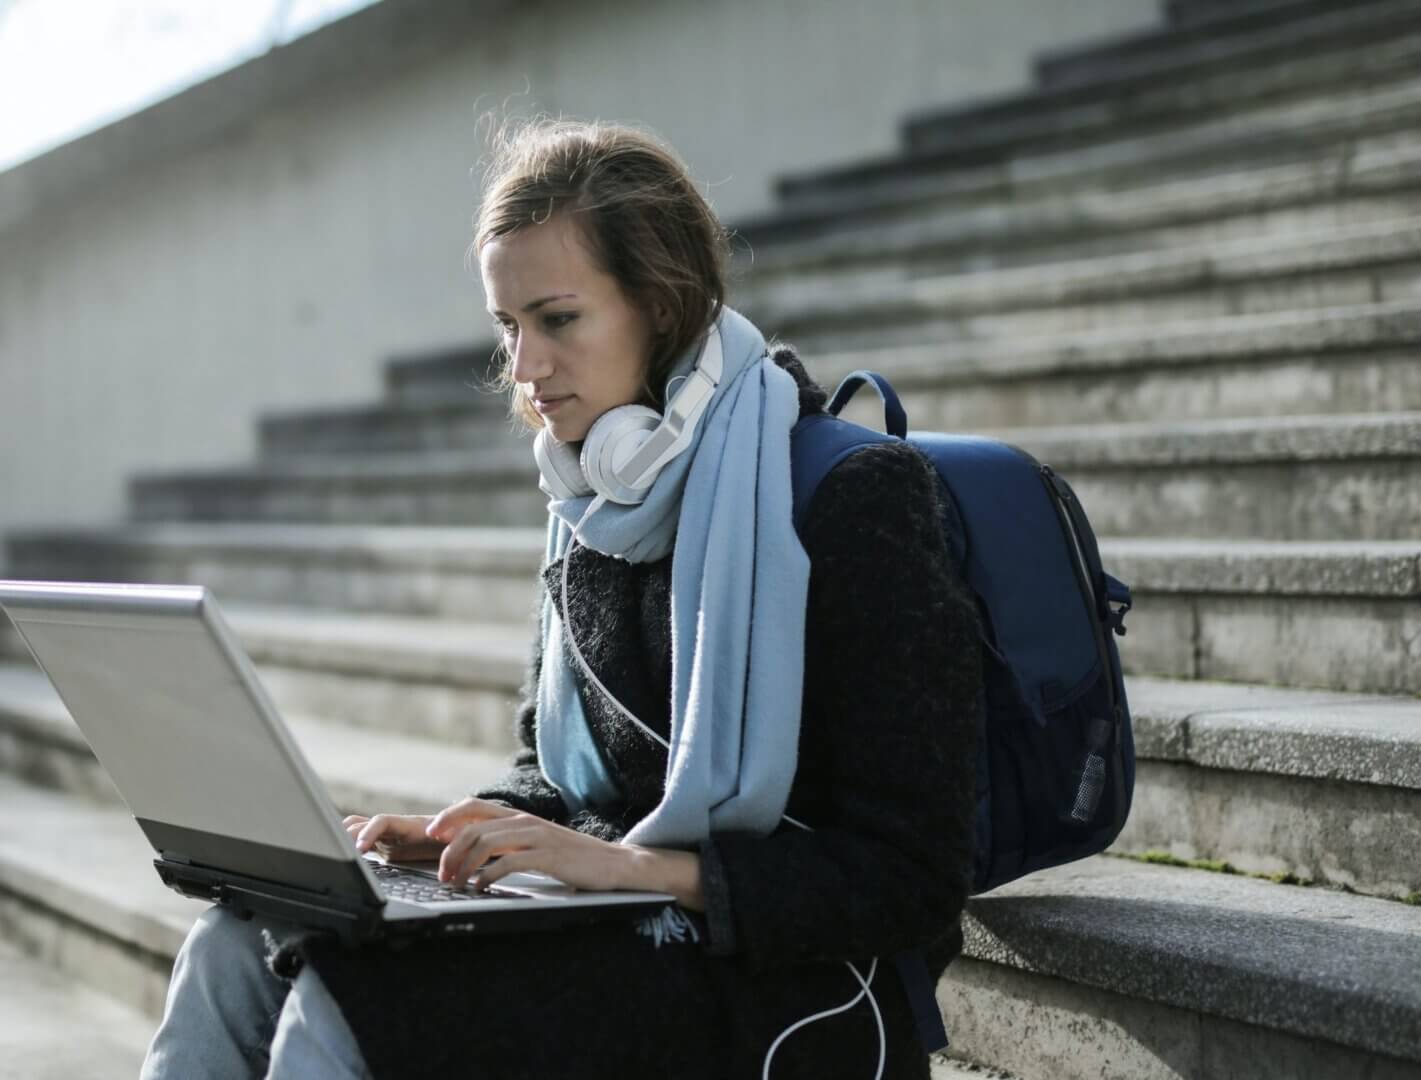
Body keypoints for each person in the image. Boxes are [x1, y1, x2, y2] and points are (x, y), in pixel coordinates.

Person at [140, 117, 985, 1080]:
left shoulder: (854, 498)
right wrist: (461, 826)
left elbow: (913, 878)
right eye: (508, 327)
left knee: (352, 1007)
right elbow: (556, 775)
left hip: (798, 979)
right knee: (231, 945)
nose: (526, 369)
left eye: (558, 319)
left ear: (660, 306)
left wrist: (638, 871)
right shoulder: (592, 501)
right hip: (627, 921)